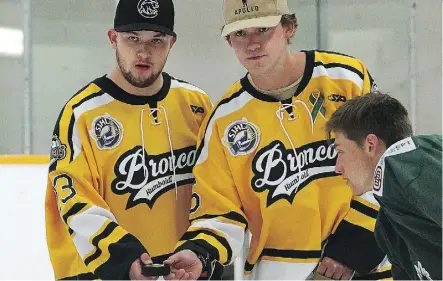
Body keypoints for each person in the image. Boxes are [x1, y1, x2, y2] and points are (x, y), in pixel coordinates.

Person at [164, 0, 392, 279]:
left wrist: (352, 248)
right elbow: (219, 212)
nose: (252, 44)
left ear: (288, 27)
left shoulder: (347, 80)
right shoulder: (224, 120)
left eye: (263, 29)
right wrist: (200, 251)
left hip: (365, 268)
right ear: (228, 41)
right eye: (240, 34)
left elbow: (390, 161)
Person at [44, 0, 216, 279]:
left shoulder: (196, 104)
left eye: (156, 40)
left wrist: (203, 252)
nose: (143, 51)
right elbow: (74, 200)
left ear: (172, 43)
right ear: (113, 39)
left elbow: (215, 191)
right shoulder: (82, 113)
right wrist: (124, 260)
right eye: (132, 38)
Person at [324, 92, 442, 280]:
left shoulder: (412, 166)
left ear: (370, 145)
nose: (338, 167)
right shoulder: (387, 226)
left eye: (341, 151)